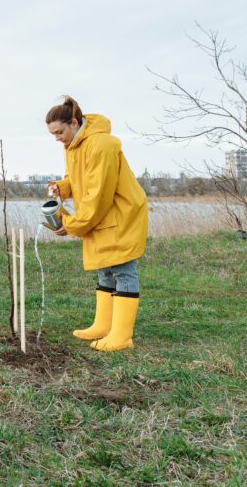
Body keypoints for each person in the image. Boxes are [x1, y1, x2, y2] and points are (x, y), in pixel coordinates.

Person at [46, 96, 147, 352]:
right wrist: (62, 187)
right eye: (53, 134)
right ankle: (104, 326)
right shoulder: (73, 146)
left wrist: (73, 224)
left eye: (59, 131)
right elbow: (78, 179)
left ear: (73, 122)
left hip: (118, 213)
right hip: (100, 216)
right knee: (104, 269)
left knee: (123, 270)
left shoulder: (101, 144)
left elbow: (98, 194)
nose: (57, 138)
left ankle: (122, 337)